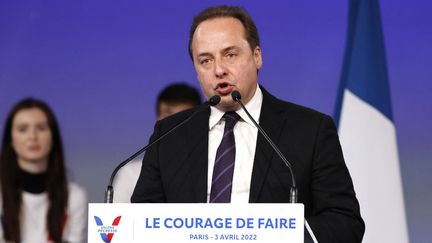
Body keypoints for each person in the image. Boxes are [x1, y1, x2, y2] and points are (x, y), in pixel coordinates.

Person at [131, 5, 365, 242]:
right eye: (206, 61)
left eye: (230, 55)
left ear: (257, 56)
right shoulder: (169, 135)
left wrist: (280, 236)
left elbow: (344, 220)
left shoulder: (310, 130)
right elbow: (139, 221)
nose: (219, 70)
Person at [0, 98, 87, 243]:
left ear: (53, 137)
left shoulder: (74, 197)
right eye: (23, 129)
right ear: (11, 140)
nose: (32, 137)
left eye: (41, 128)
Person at [113, 82, 202, 202]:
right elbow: (117, 219)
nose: (173, 124)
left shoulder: (213, 168)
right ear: (156, 121)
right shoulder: (130, 173)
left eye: (182, 118)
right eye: (168, 117)